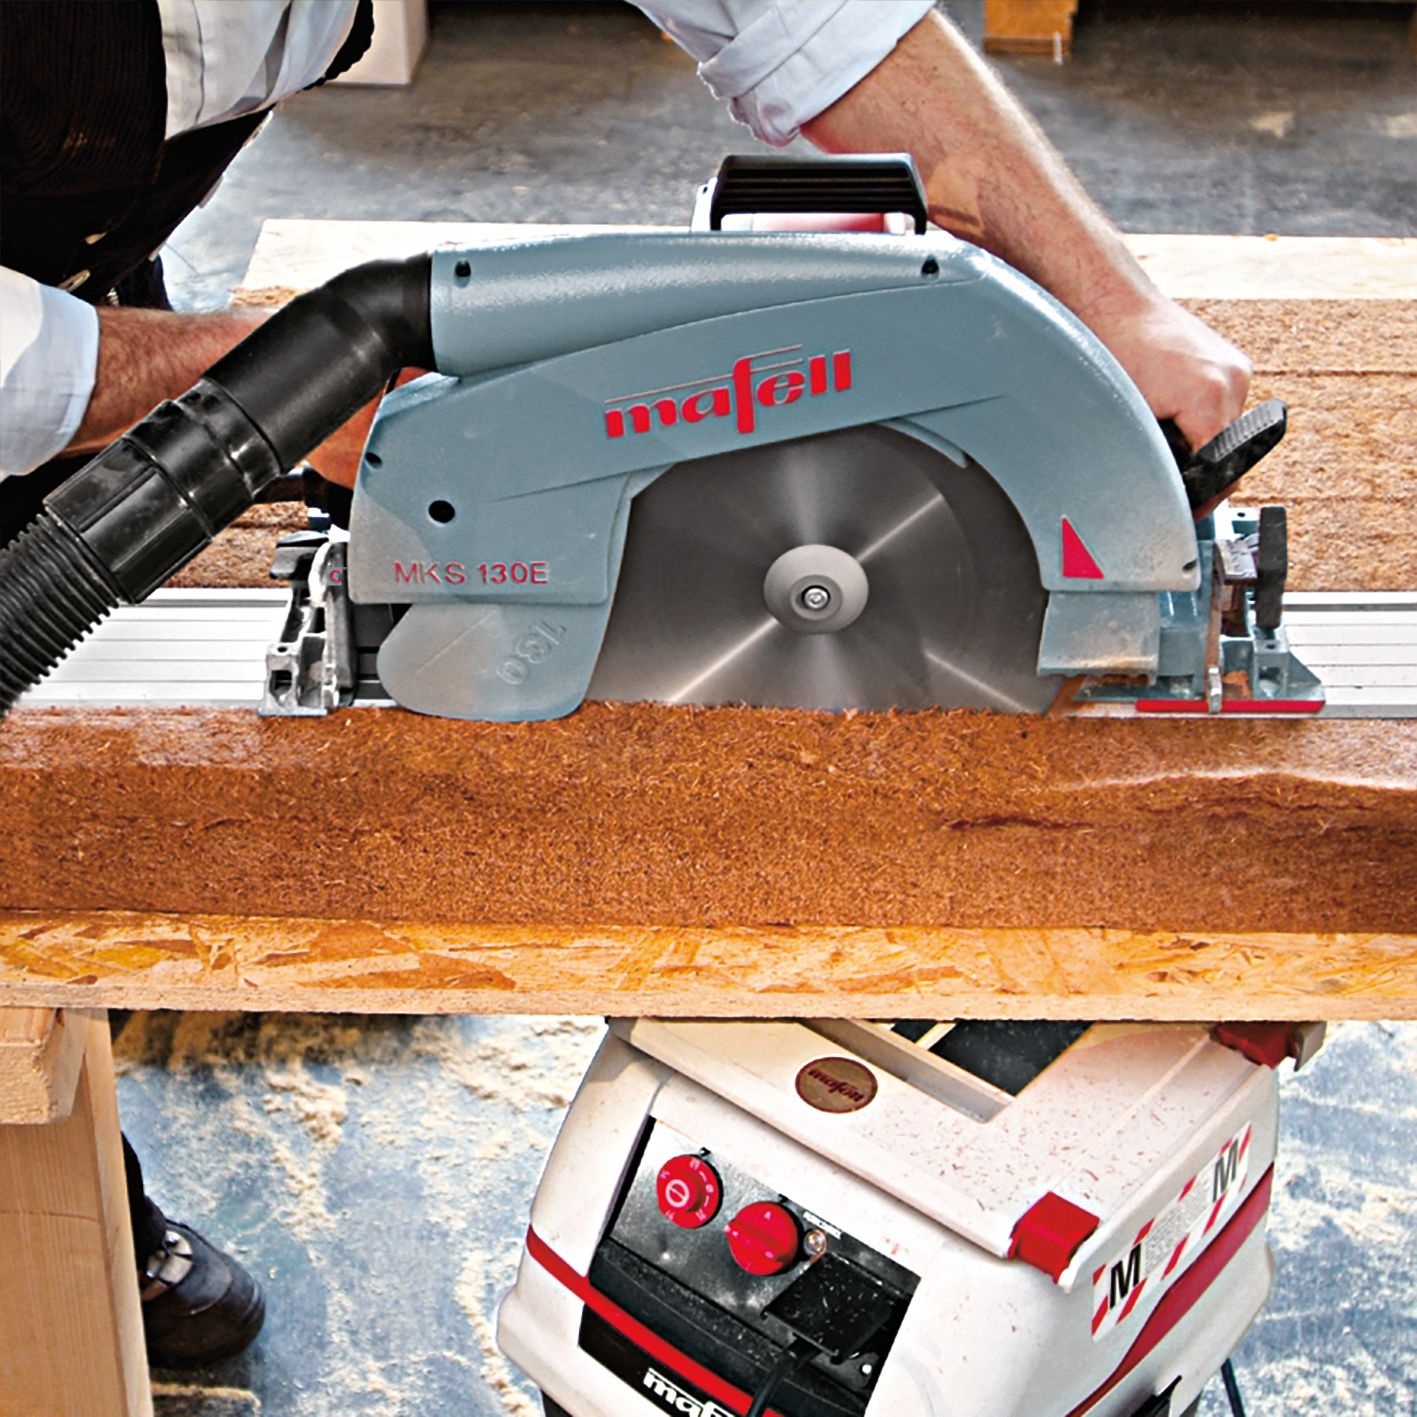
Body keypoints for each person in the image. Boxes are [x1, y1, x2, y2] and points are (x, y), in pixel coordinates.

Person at [0, 0, 1253, 1368]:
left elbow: (807, 17)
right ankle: (47, 1244)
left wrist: (1109, 304)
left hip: (86, 251)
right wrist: (253, 381)